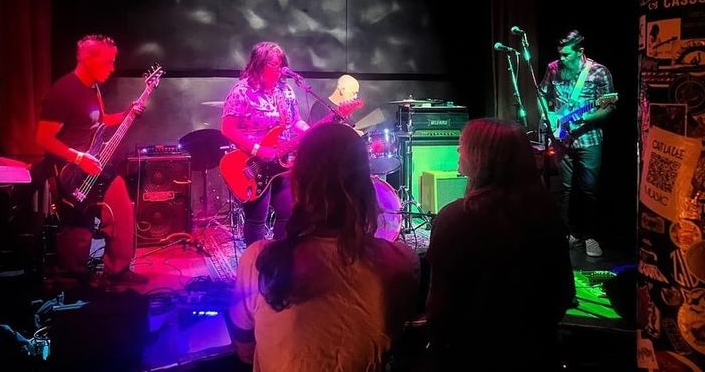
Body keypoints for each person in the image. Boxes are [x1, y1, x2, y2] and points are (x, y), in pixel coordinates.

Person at [228, 123, 420, 370]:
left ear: (296, 183)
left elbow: (244, 349)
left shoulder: (258, 260)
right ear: (366, 184)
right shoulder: (402, 261)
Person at [426, 118, 575, 371]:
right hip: (535, 353)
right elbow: (563, 293)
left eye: (462, 144)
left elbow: (439, 307)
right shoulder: (546, 212)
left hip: (470, 355)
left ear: (481, 156)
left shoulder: (454, 218)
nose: (457, 150)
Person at [35, 34, 146, 285]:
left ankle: (118, 270)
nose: (113, 68)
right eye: (108, 62)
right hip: (69, 171)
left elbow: (100, 120)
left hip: (93, 164)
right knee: (78, 228)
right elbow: (43, 138)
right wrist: (77, 157)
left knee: (122, 209)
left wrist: (127, 114)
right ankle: (74, 280)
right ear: (88, 60)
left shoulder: (92, 88)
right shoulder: (63, 91)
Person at [221, 42, 309, 245]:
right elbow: (227, 128)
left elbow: (296, 121)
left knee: (288, 212)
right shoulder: (242, 91)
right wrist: (257, 149)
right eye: (273, 64)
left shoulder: (285, 91)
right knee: (257, 219)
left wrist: (309, 131)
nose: (279, 69)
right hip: (253, 164)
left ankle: (280, 259)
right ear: (259, 64)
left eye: (281, 64)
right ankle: (255, 264)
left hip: (282, 161)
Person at [539, 29, 615, 258]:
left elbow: (609, 105)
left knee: (588, 189)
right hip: (562, 139)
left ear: (580, 51)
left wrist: (585, 117)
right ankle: (571, 234)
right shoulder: (553, 68)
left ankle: (590, 236)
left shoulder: (599, 72)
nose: (562, 59)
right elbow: (542, 93)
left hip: (589, 139)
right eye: (560, 54)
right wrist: (548, 116)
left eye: (566, 55)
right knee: (565, 189)